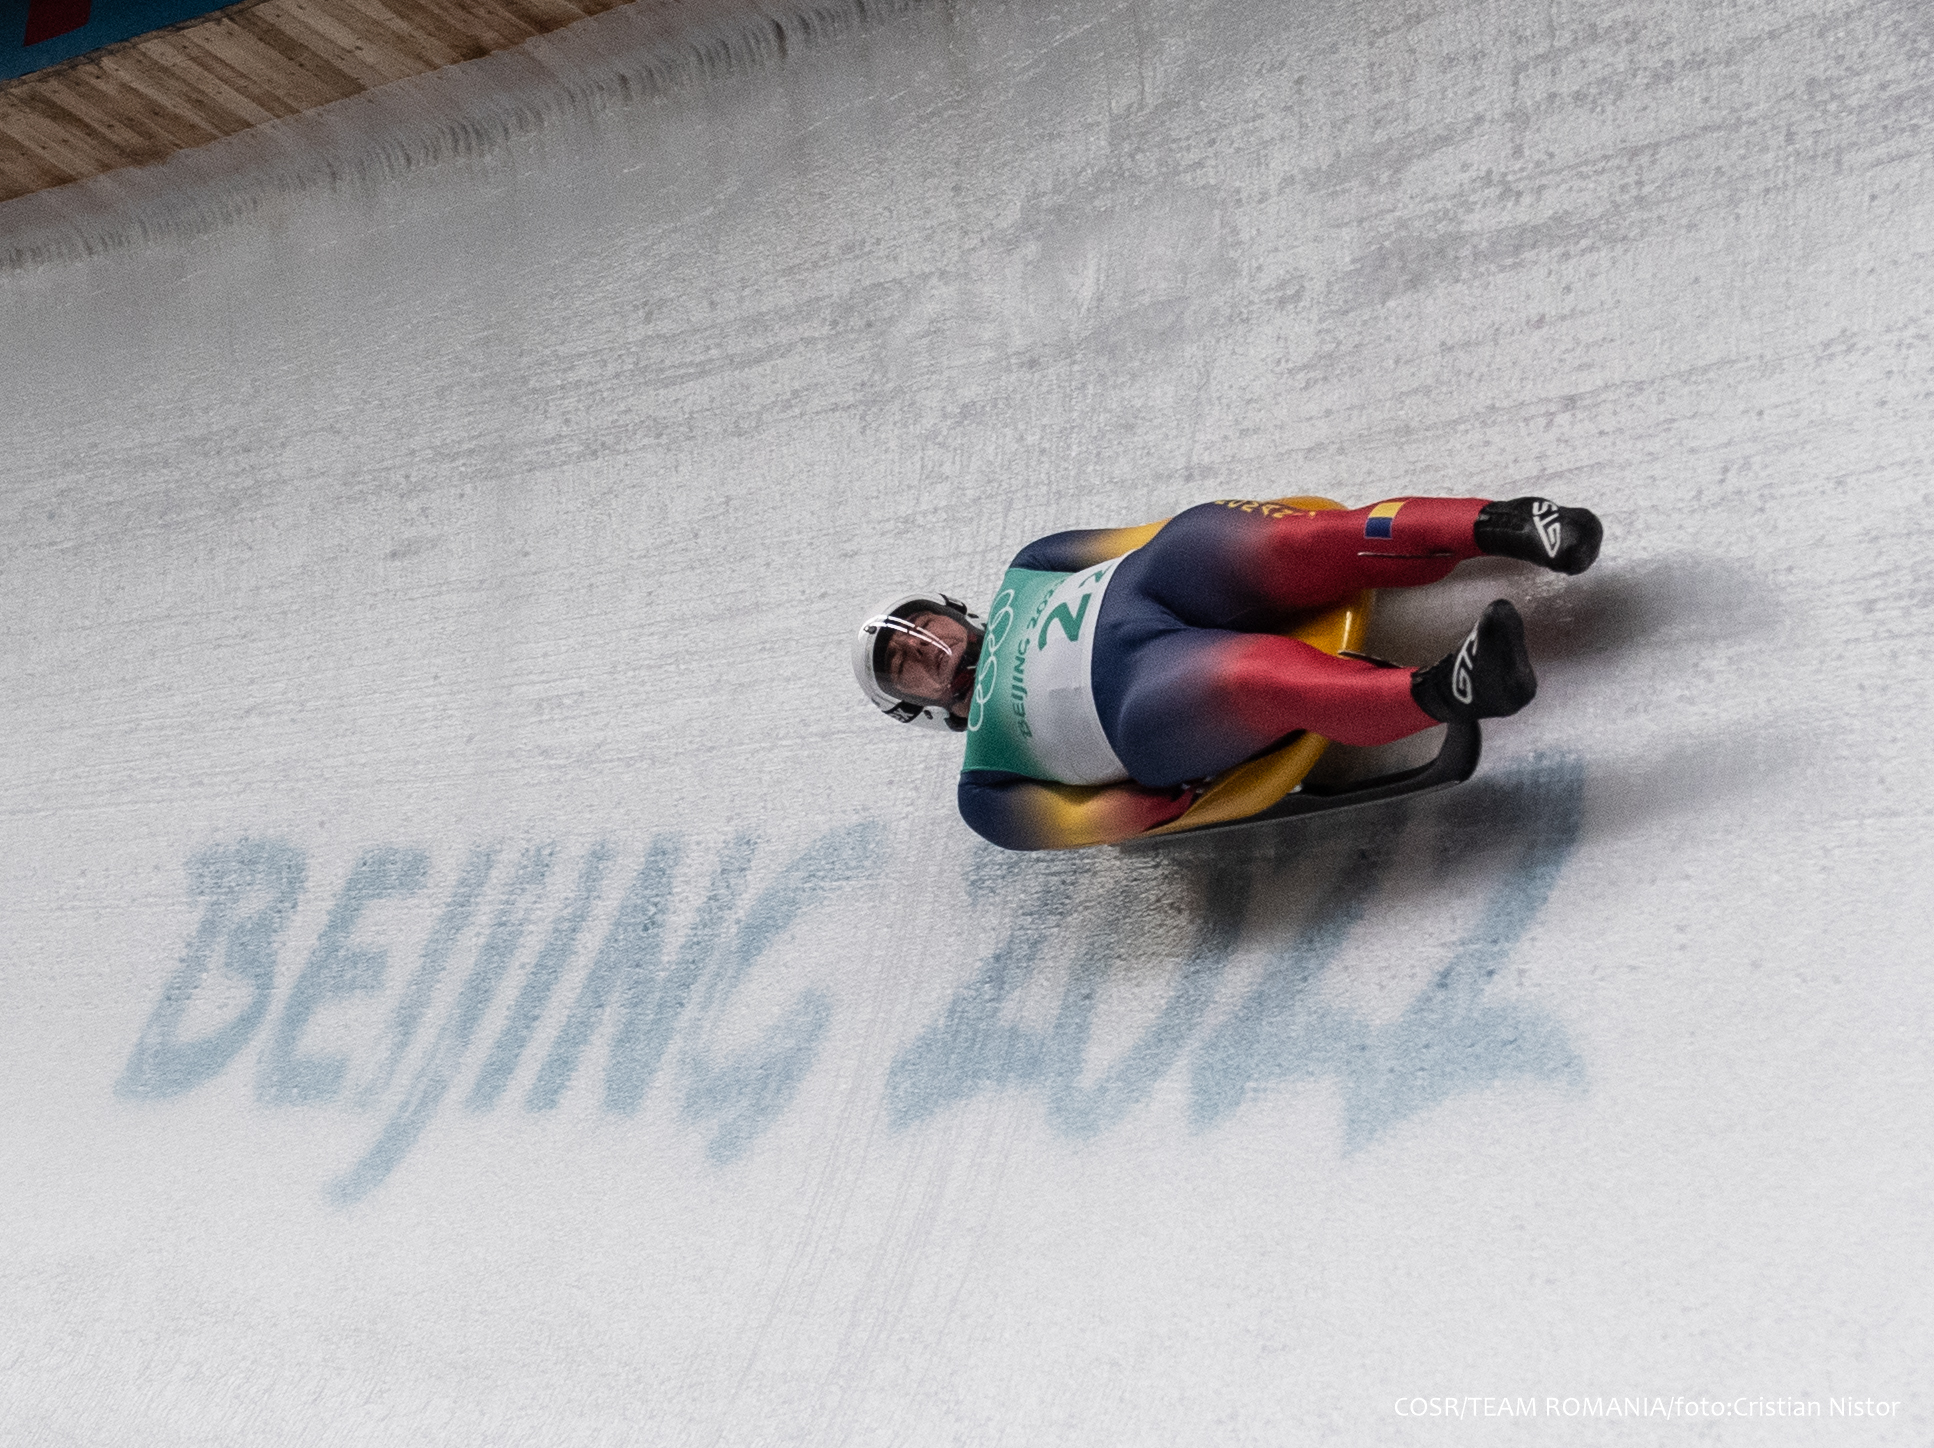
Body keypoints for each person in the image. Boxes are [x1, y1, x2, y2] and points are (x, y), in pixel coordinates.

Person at [851, 496, 1601, 850]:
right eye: (903, 665)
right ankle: (1449, 688)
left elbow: (1138, 537)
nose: (920, 647)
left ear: (949, 609)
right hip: (1139, 702)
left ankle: (1507, 524)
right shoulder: (983, 789)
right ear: (916, 707)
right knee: (1255, 676)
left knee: (1297, 547)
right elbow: (1088, 822)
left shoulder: (1031, 563)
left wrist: (1241, 525)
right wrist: (1163, 805)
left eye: (918, 625)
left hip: (1157, 581)